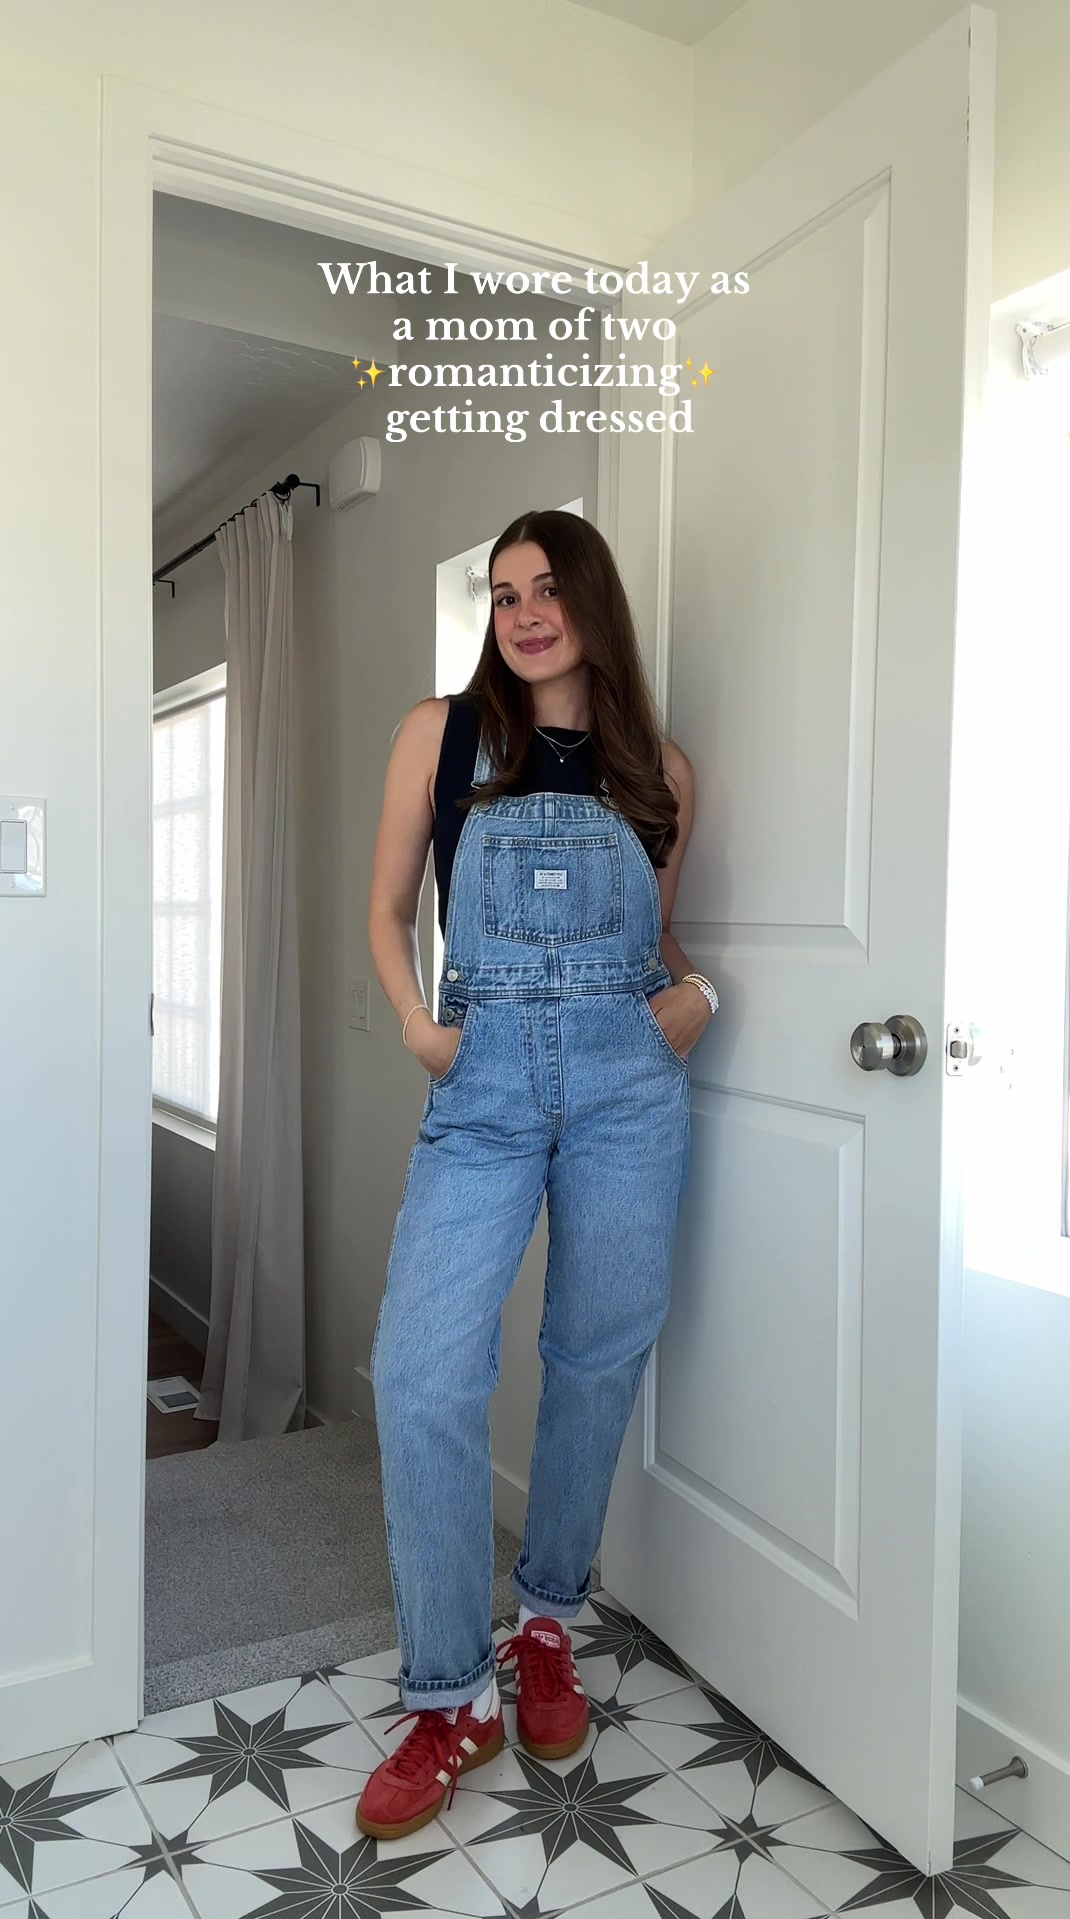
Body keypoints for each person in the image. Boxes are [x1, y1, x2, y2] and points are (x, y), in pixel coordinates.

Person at [358, 507, 717, 1841]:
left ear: (591, 602)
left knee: (597, 1354)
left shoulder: (658, 768)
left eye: (547, 587)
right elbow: (386, 908)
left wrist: (695, 1003)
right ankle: (452, 1692)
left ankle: (550, 1620)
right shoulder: (440, 734)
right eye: (504, 594)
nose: (523, 613)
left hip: (629, 1085)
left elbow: (656, 936)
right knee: (421, 1371)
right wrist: (419, 1027)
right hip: (486, 1082)